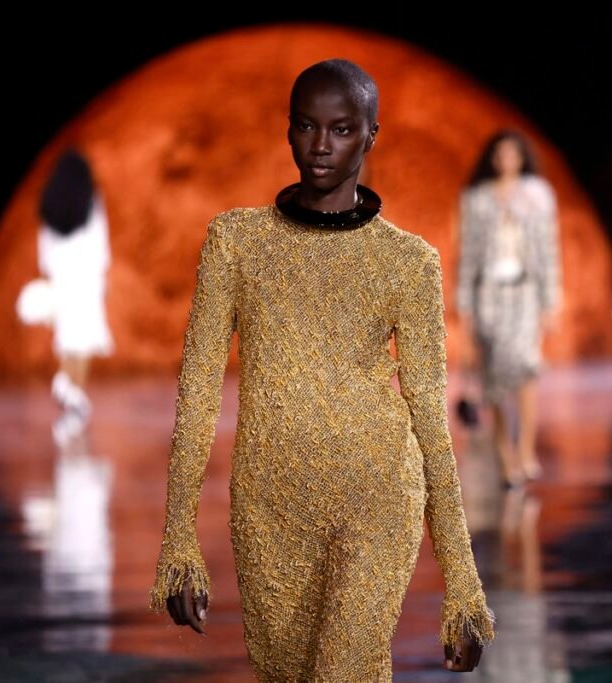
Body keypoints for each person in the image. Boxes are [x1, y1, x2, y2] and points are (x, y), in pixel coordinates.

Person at [149, 59, 494, 680]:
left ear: (370, 135)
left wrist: (463, 582)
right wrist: (178, 538)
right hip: (268, 503)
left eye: (341, 129)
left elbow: (428, 413)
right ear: (288, 129)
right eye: (307, 126)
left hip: (379, 491)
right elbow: (198, 389)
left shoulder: (408, 261)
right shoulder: (236, 242)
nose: (321, 146)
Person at [456, 131, 562, 487]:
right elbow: (468, 254)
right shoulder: (477, 199)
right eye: (499, 154)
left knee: (527, 367)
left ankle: (526, 450)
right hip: (489, 294)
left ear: (522, 158)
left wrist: (550, 300)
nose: (505, 161)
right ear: (492, 159)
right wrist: (464, 304)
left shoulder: (537, 196)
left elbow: (548, 249)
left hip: (525, 292)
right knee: (496, 376)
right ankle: (505, 453)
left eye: (512, 154)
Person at [33, 149, 114, 417]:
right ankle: (74, 389)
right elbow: (99, 238)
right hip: (86, 273)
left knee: (68, 334)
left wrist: (47, 273)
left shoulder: (49, 202)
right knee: (85, 334)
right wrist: (103, 272)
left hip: (62, 273)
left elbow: (45, 243)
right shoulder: (91, 199)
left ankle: (67, 386)